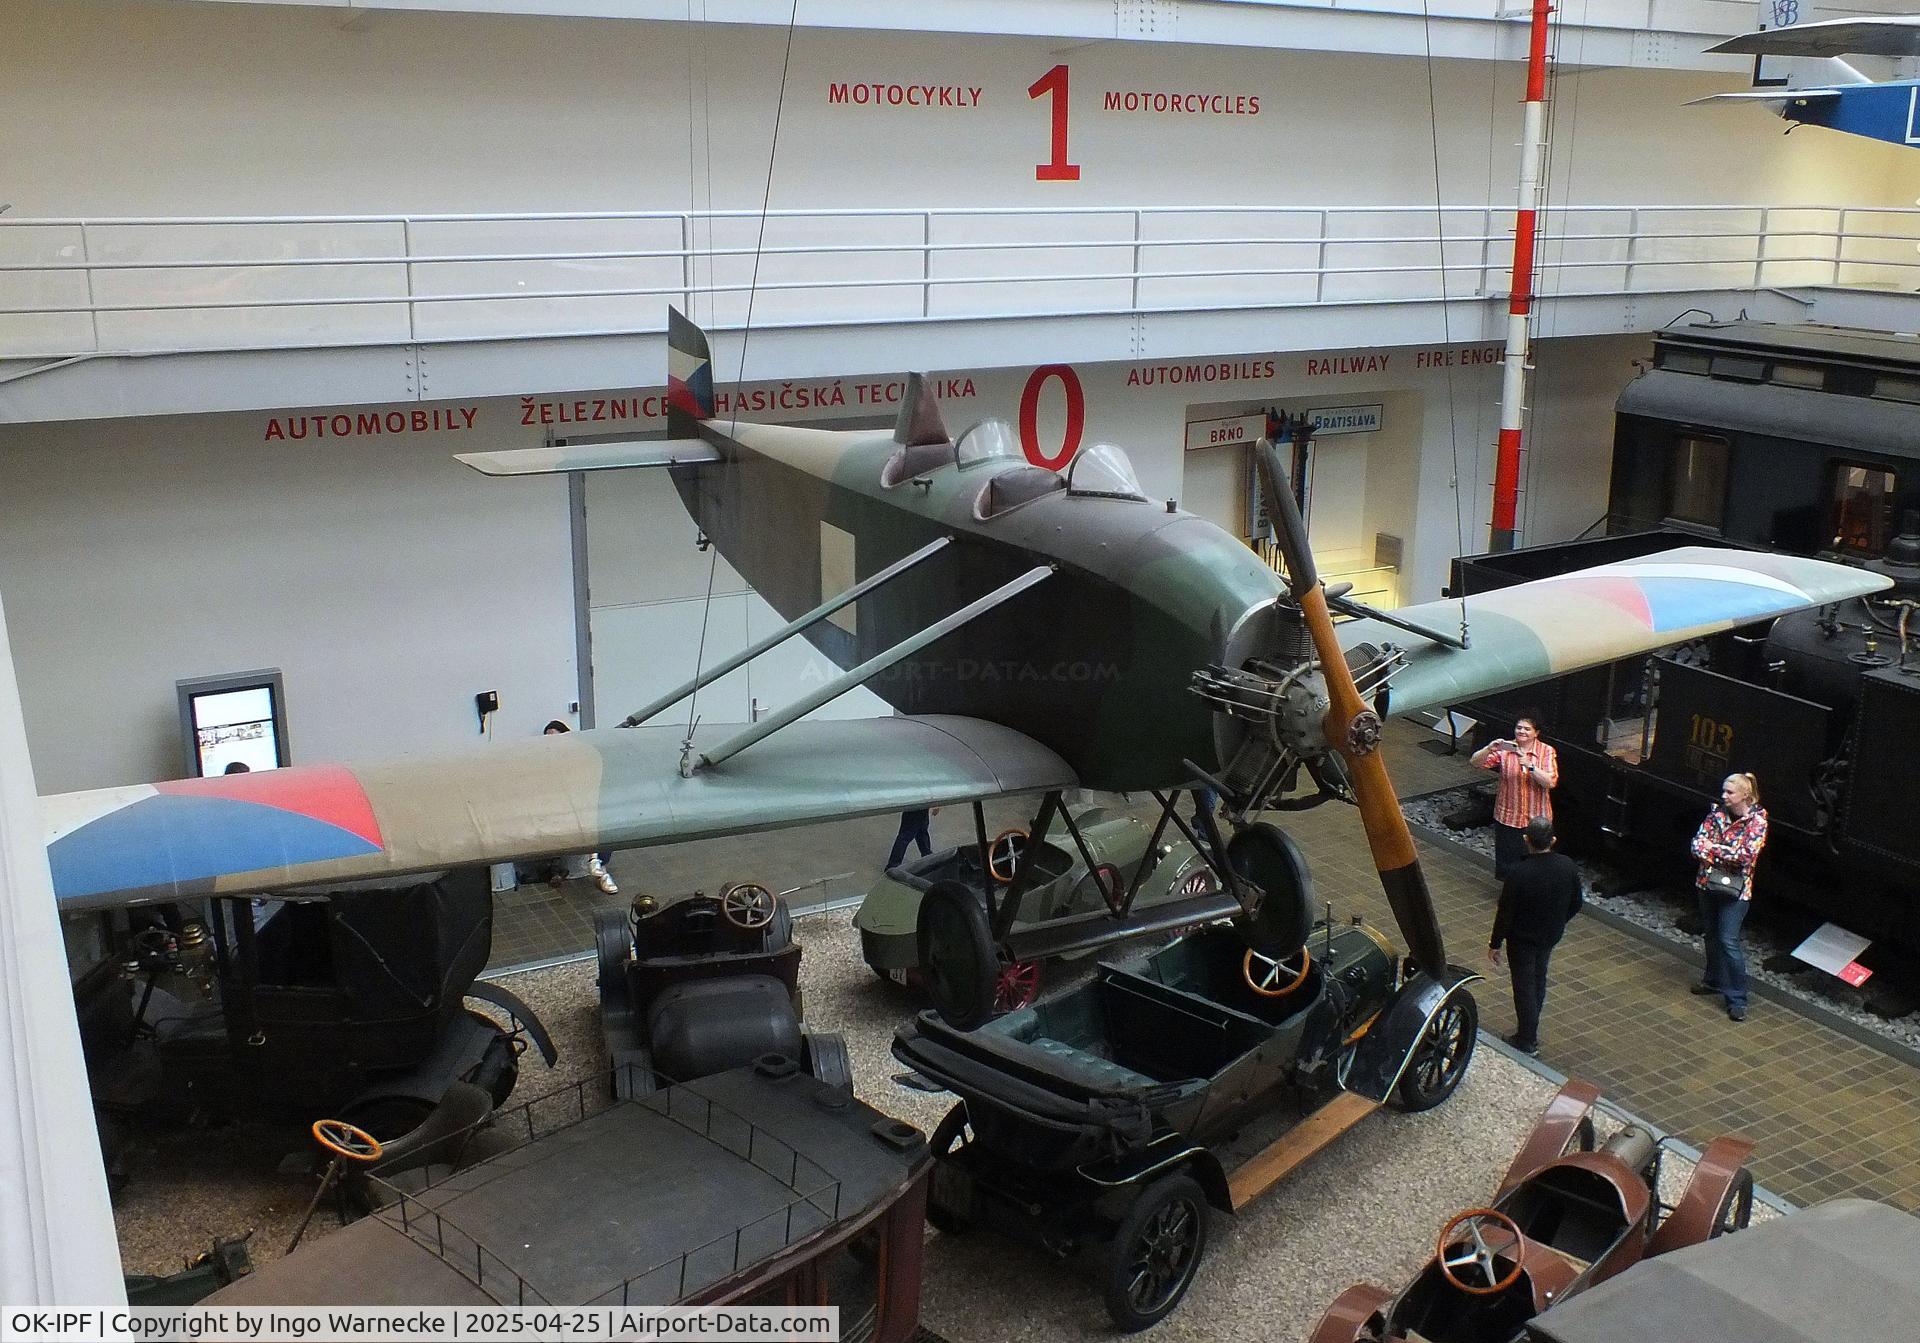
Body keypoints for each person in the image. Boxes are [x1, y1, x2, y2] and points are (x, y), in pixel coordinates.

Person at [1487, 815, 1584, 1056]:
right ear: (1552, 840)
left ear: (1526, 839)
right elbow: (1576, 902)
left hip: (1522, 939)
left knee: (1524, 986)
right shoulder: (1567, 866)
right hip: (1550, 935)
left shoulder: (1519, 872)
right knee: (1539, 979)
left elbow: (1505, 912)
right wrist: (1559, 922)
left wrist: (1495, 943)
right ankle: (1531, 1026)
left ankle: (1527, 1038)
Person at [1690, 772, 1768, 1023]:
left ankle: (1737, 998)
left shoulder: (1758, 822)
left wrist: (1712, 850)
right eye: (1724, 791)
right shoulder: (1716, 814)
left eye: (1729, 792)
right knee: (1711, 934)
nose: (1724, 796)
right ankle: (1713, 980)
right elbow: (1696, 845)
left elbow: (1745, 856)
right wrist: (1723, 852)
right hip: (1707, 884)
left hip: (1736, 892)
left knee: (1728, 940)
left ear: (1745, 794)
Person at [1470, 716, 1558, 880]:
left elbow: (1550, 782)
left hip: (1536, 819)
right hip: (1509, 817)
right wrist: (1488, 749)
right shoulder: (1505, 749)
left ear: (1536, 733)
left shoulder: (1547, 751)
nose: (1522, 732)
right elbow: (1476, 763)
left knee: (1535, 862)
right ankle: (1510, 892)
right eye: (1519, 728)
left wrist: (1530, 766)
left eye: (1527, 729)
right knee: (1508, 862)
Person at [542, 719, 619, 896]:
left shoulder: (578, 757)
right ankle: (597, 864)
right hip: (561, 808)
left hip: (582, 803)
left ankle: (599, 864)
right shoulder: (547, 762)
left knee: (599, 821)